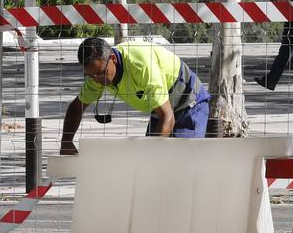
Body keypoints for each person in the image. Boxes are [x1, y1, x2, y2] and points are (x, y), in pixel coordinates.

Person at [61, 38, 210, 152]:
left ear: (112, 59)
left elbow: (168, 117)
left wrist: (152, 157)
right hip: (160, 108)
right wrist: (66, 142)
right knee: (150, 168)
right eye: (91, 75)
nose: (97, 80)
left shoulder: (140, 66)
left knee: (182, 161)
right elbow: (77, 107)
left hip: (189, 102)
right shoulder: (96, 76)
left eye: (101, 73)